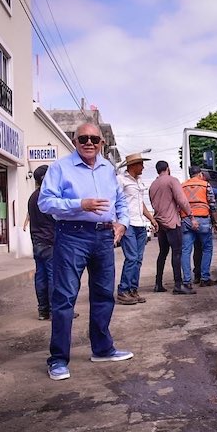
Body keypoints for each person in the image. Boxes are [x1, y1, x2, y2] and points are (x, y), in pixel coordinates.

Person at [38, 122, 132, 381]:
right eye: (83, 139)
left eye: (94, 139)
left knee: (104, 294)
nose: (89, 143)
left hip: (103, 236)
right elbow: (45, 202)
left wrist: (122, 222)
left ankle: (102, 349)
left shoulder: (107, 168)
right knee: (65, 297)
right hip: (72, 235)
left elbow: (120, 200)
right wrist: (80, 204)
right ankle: (58, 359)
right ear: (74, 140)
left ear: (102, 143)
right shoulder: (60, 168)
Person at [148, 160, 198, 295]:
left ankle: (158, 283)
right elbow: (182, 200)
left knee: (163, 253)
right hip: (172, 222)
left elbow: (153, 203)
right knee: (177, 252)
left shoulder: (153, 185)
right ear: (168, 168)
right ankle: (178, 285)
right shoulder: (172, 181)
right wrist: (191, 216)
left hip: (160, 222)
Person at [115, 152, 158, 305]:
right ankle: (123, 290)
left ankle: (133, 289)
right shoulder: (120, 180)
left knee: (138, 260)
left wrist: (151, 218)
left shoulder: (139, 182)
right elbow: (115, 201)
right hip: (128, 224)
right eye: (141, 164)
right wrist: (117, 223)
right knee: (132, 258)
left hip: (140, 224)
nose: (143, 167)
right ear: (133, 166)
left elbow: (140, 204)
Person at [23, 165, 54, 320]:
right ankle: (56, 310)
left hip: (37, 242)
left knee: (41, 276)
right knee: (53, 276)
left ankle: (43, 311)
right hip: (50, 242)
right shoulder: (49, 196)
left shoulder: (33, 196)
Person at [181, 165, 217, 288]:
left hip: (187, 219)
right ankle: (204, 278)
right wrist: (216, 222)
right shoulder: (205, 185)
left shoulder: (182, 186)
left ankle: (187, 281)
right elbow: (212, 204)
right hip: (203, 219)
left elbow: (179, 203)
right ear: (200, 174)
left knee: (186, 251)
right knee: (207, 248)